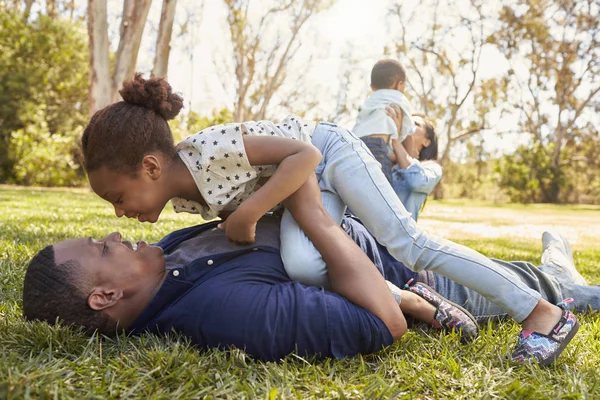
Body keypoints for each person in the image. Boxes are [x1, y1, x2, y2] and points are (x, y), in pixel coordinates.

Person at [80, 73, 577, 364]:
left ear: (149, 167)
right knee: (301, 263)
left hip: (328, 154)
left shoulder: (209, 152)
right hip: (307, 186)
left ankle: (542, 314)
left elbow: (303, 155)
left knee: (409, 242)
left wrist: (252, 211)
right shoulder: (187, 202)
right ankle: (405, 295)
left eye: (118, 197)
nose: (119, 214)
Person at [22, 216, 585, 366]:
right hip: (438, 284)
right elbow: (382, 323)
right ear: (104, 298)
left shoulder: (170, 249)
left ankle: (557, 261)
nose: (114, 235)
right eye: (100, 248)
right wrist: (317, 217)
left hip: (404, 248)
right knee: (549, 289)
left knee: (533, 271)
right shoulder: (222, 312)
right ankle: (561, 272)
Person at [352, 59, 416, 183]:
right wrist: (409, 158)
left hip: (356, 145)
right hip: (378, 148)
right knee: (383, 195)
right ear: (400, 84)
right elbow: (409, 132)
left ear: (372, 87)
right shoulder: (399, 99)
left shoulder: (369, 101)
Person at [386, 109, 441, 221]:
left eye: (415, 124)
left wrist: (395, 139)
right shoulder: (384, 158)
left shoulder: (431, 168)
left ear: (426, 142)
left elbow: (415, 181)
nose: (407, 126)